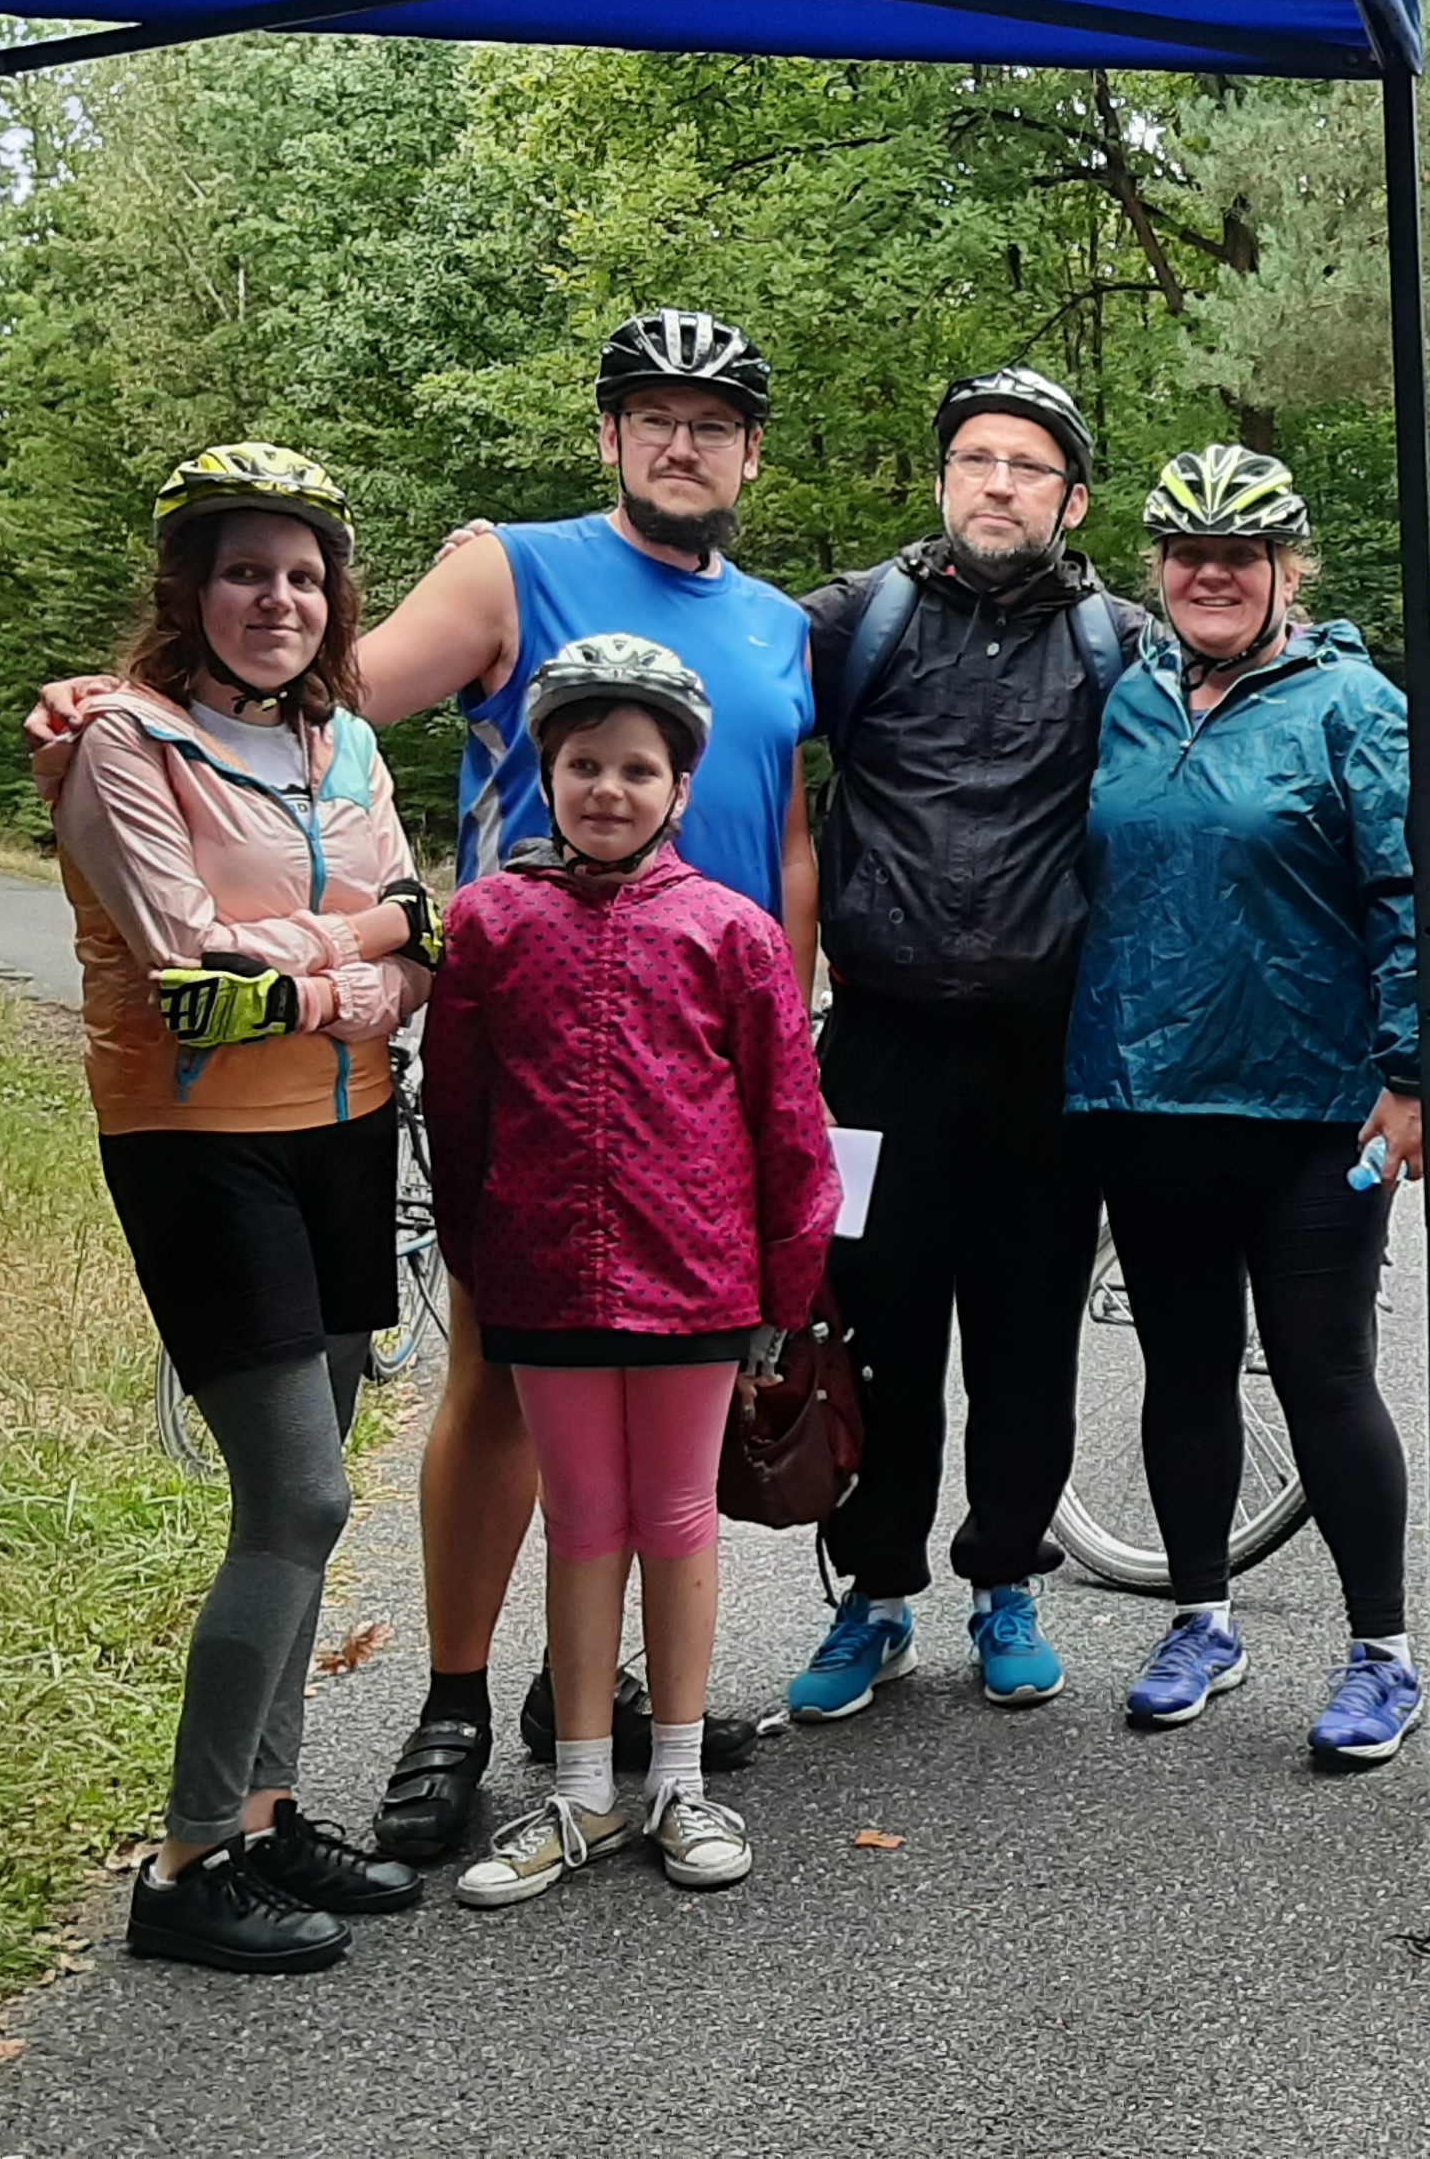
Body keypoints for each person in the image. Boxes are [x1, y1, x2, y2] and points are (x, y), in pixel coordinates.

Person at [35, 309, 815, 1864]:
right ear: (608, 434)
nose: (683, 442)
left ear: (748, 452)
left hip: (705, 1023)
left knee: (665, 1426)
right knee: (502, 1386)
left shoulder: (783, 620)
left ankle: (600, 1706)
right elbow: (317, 692)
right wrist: (113, 703)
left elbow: (792, 824)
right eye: (652, 416)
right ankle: (456, 1700)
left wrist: (794, 1004)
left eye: (713, 422)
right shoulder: (503, 563)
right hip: (531, 1010)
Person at [62, 446, 437, 1972]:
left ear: (334, 597)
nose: (274, 599)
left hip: (348, 1135)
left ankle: (267, 1814)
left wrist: (333, 973)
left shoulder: (348, 744)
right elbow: (192, 978)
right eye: (242, 571)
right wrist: (369, 953)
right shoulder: (119, 742)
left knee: (312, 1483)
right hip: (196, 1143)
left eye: (300, 575)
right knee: (299, 1498)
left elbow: (432, 946)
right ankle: (187, 1859)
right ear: (188, 588)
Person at [425, 635, 836, 1906]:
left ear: (680, 787)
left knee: (674, 1520)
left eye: (638, 769)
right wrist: (476, 1254)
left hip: (695, 1279)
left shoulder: (734, 931)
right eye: (585, 764)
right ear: (547, 774)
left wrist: (786, 1281)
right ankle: (580, 1793)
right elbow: (461, 1103)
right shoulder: (492, 922)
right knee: (582, 1523)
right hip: (546, 1279)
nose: (609, 789)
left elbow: (786, 1119)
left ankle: (679, 1776)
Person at [786, 366, 1152, 1721]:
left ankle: (1007, 1583)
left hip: (1045, 1062)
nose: (999, 483)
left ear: (1071, 497)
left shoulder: (1121, 641)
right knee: (872, 1336)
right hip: (875, 1053)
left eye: (1030, 466)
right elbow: (684, 701)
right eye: (977, 460)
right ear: (942, 477)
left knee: (1025, 1335)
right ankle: (872, 1598)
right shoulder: (852, 623)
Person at [1068, 446, 1430, 1765]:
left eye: (1242, 554)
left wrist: (1410, 1076)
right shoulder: (1122, 700)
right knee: (1183, 1370)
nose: (1212, 574)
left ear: (1290, 568)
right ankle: (1200, 1618)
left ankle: (1382, 1655)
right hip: (1150, 1098)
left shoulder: (1353, 706)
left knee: (1327, 1375)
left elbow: (1417, 900)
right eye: (1188, 553)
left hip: (1312, 1111)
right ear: (1158, 568)